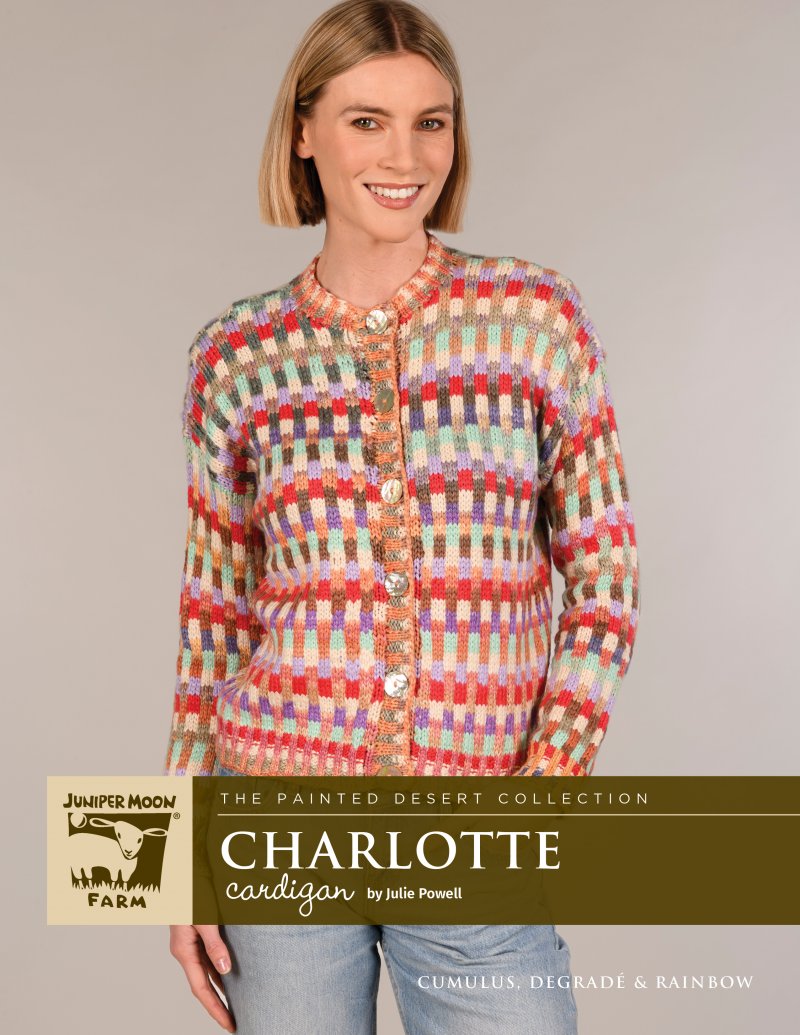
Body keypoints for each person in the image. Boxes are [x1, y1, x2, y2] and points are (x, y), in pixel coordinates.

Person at [164, 1, 640, 1032]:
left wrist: (543, 788)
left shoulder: (533, 320)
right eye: (366, 121)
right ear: (304, 132)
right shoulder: (235, 355)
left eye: (431, 121)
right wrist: (173, 858)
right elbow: (214, 617)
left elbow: (606, 580)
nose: (405, 155)